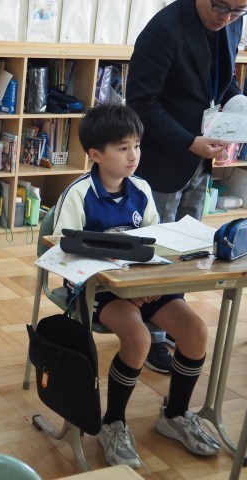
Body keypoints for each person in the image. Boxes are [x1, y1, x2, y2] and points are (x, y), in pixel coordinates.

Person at [53, 104, 221, 469]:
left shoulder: (142, 189)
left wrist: (150, 282)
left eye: (137, 146)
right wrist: (123, 284)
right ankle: (113, 422)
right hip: (100, 291)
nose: (134, 156)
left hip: (145, 285)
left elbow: (155, 244)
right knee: (139, 338)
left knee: (195, 330)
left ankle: (175, 414)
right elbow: (63, 251)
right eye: (123, 148)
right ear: (96, 154)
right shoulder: (79, 194)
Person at [127, 0, 245, 372]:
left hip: (201, 156)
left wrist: (237, 108)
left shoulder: (233, 22)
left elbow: (222, 80)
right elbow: (141, 102)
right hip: (165, 157)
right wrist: (188, 141)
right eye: (221, 6)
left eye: (238, 10)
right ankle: (151, 333)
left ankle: (172, 320)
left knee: (187, 251)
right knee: (157, 251)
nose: (227, 17)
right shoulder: (163, 29)